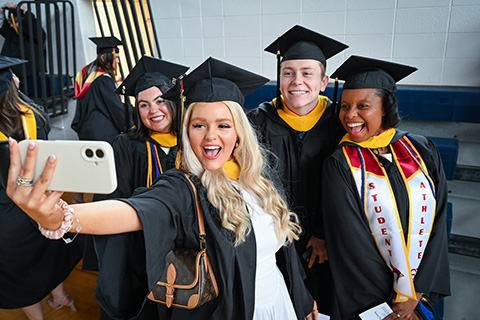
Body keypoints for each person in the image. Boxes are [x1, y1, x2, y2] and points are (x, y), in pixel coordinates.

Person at [7, 57, 319, 320]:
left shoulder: (261, 178)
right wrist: (60, 217)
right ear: (188, 129)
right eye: (199, 125)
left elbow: (284, 253)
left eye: (223, 124)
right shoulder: (184, 186)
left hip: (280, 301)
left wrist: (303, 300)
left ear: (239, 131)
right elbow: (135, 210)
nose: (211, 136)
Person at [322, 55, 451, 319]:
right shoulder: (340, 163)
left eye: (363, 106)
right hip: (376, 305)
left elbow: (438, 222)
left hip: (418, 297)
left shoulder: (422, 149)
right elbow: (351, 244)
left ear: (385, 108)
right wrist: (387, 310)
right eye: (345, 106)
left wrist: (417, 294)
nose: (350, 115)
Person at [247, 24, 348, 314]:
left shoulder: (339, 122)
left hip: (327, 241)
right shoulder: (258, 121)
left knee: (323, 304)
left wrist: (324, 232)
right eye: (288, 73)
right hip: (276, 237)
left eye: (307, 73)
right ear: (279, 80)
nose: (296, 81)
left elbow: (349, 188)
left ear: (323, 81)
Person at [93, 55, 189, 320]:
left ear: (172, 102)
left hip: (188, 241)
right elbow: (115, 197)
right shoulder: (126, 145)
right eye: (143, 105)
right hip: (141, 243)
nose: (153, 111)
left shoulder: (192, 140)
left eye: (159, 101)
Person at [0, 55, 81, 320]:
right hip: (39, 202)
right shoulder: (33, 115)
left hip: (7, 216)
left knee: (21, 272)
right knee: (46, 252)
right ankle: (60, 296)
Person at [71, 36, 129, 145]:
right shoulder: (103, 80)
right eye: (116, 57)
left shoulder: (87, 75)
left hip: (89, 130)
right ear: (103, 58)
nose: (118, 61)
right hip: (102, 132)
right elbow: (115, 107)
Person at [0, 2, 46, 93]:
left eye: (14, 22)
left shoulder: (33, 32)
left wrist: (26, 11)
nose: (11, 25)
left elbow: (36, 31)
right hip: (12, 68)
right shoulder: (12, 32)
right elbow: (2, 25)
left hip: (25, 69)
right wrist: (2, 10)